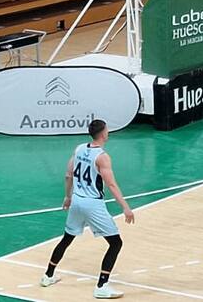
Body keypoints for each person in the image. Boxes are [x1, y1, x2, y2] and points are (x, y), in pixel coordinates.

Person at [40, 120, 133, 299]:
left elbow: (68, 174)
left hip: (77, 200)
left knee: (67, 238)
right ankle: (102, 285)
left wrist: (67, 196)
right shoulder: (102, 157)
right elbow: (111, 184)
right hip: (92, 204)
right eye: (107, 129)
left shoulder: (79, 148)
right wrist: (125, 207)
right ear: (103, 133)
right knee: (116, 243)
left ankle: (48, 275)